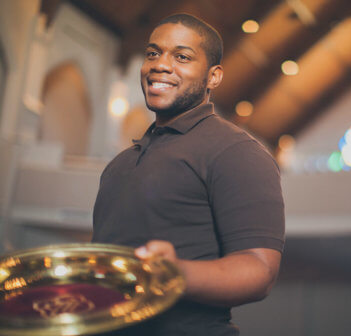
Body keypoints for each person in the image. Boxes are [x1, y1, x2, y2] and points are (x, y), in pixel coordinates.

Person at [91, 13, 284, 336]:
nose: (160, 65)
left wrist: (174, 273)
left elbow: (259, 269)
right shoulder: (120, 163)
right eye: (153, 53)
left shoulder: (236, 151)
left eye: (181, 57)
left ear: (214, 77)